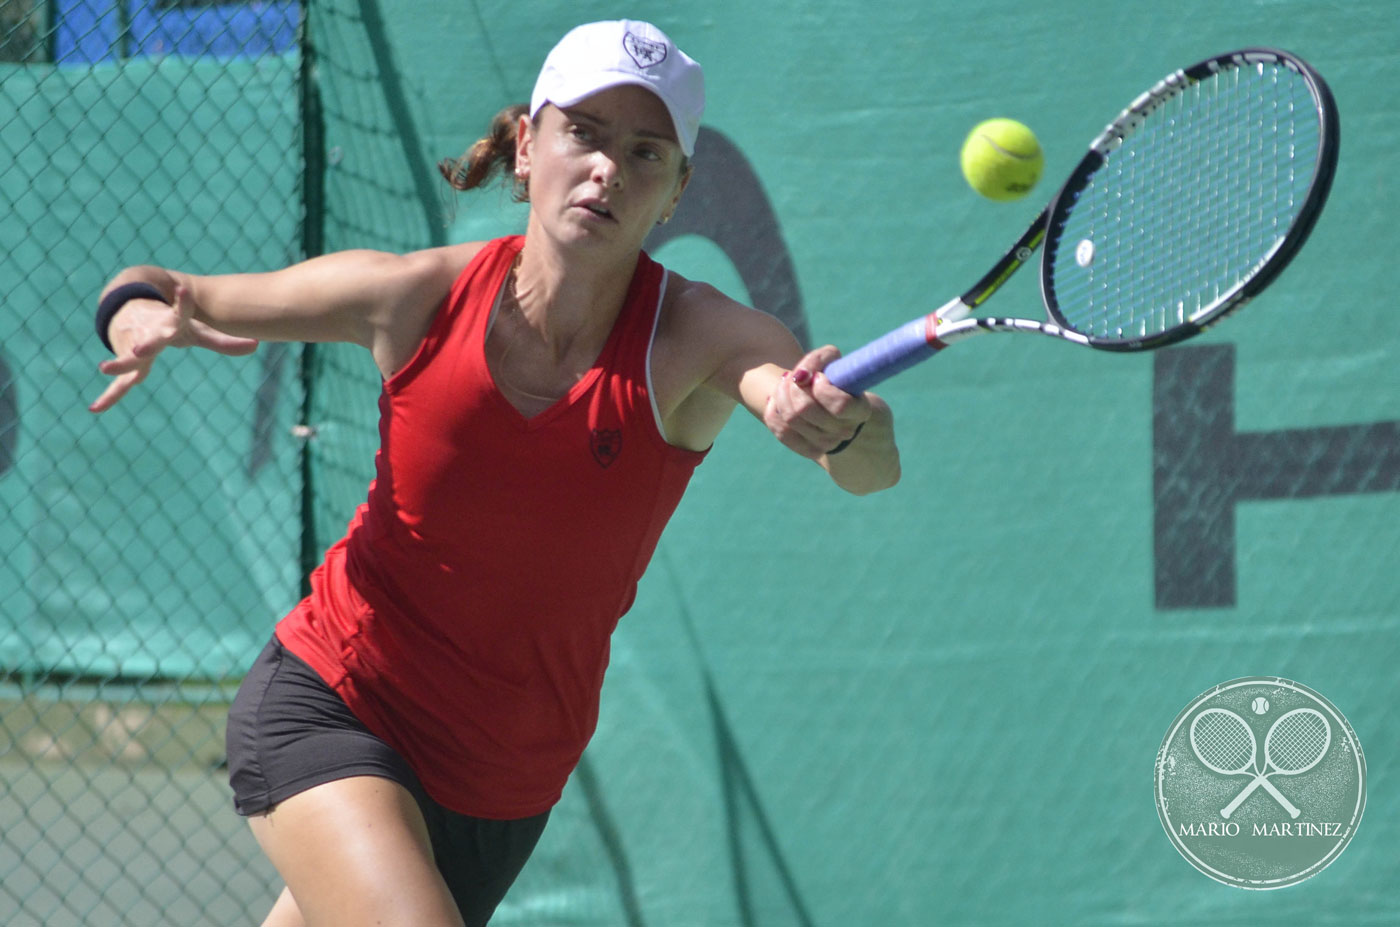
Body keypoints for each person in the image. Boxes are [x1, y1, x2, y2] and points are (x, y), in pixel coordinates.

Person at [89, 19, 899, 927]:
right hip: (335, 697)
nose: (606, 170)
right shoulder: (414, 295)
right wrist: (138, 318)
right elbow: (163, 287)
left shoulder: (705, 340)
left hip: (500, 789)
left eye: (644, 152)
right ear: (528, 144)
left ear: (676, 189)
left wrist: (842, 426)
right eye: (583, 134)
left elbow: (862, 467)